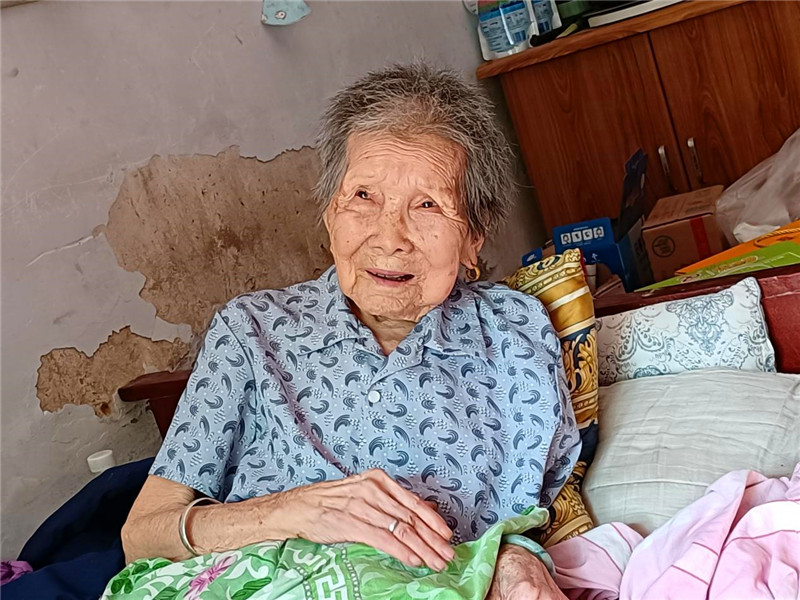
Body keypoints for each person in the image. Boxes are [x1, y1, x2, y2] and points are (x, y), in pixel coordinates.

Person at [122, 63, 578, 600]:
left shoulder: (514, 331)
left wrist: (515, 559)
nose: (390, 237)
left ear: (473, 238)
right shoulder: (251, 331)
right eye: (363, 196)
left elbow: (549, 507)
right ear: (329, 215)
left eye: (428, 205)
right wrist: (294, 510)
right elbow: (141, 538)